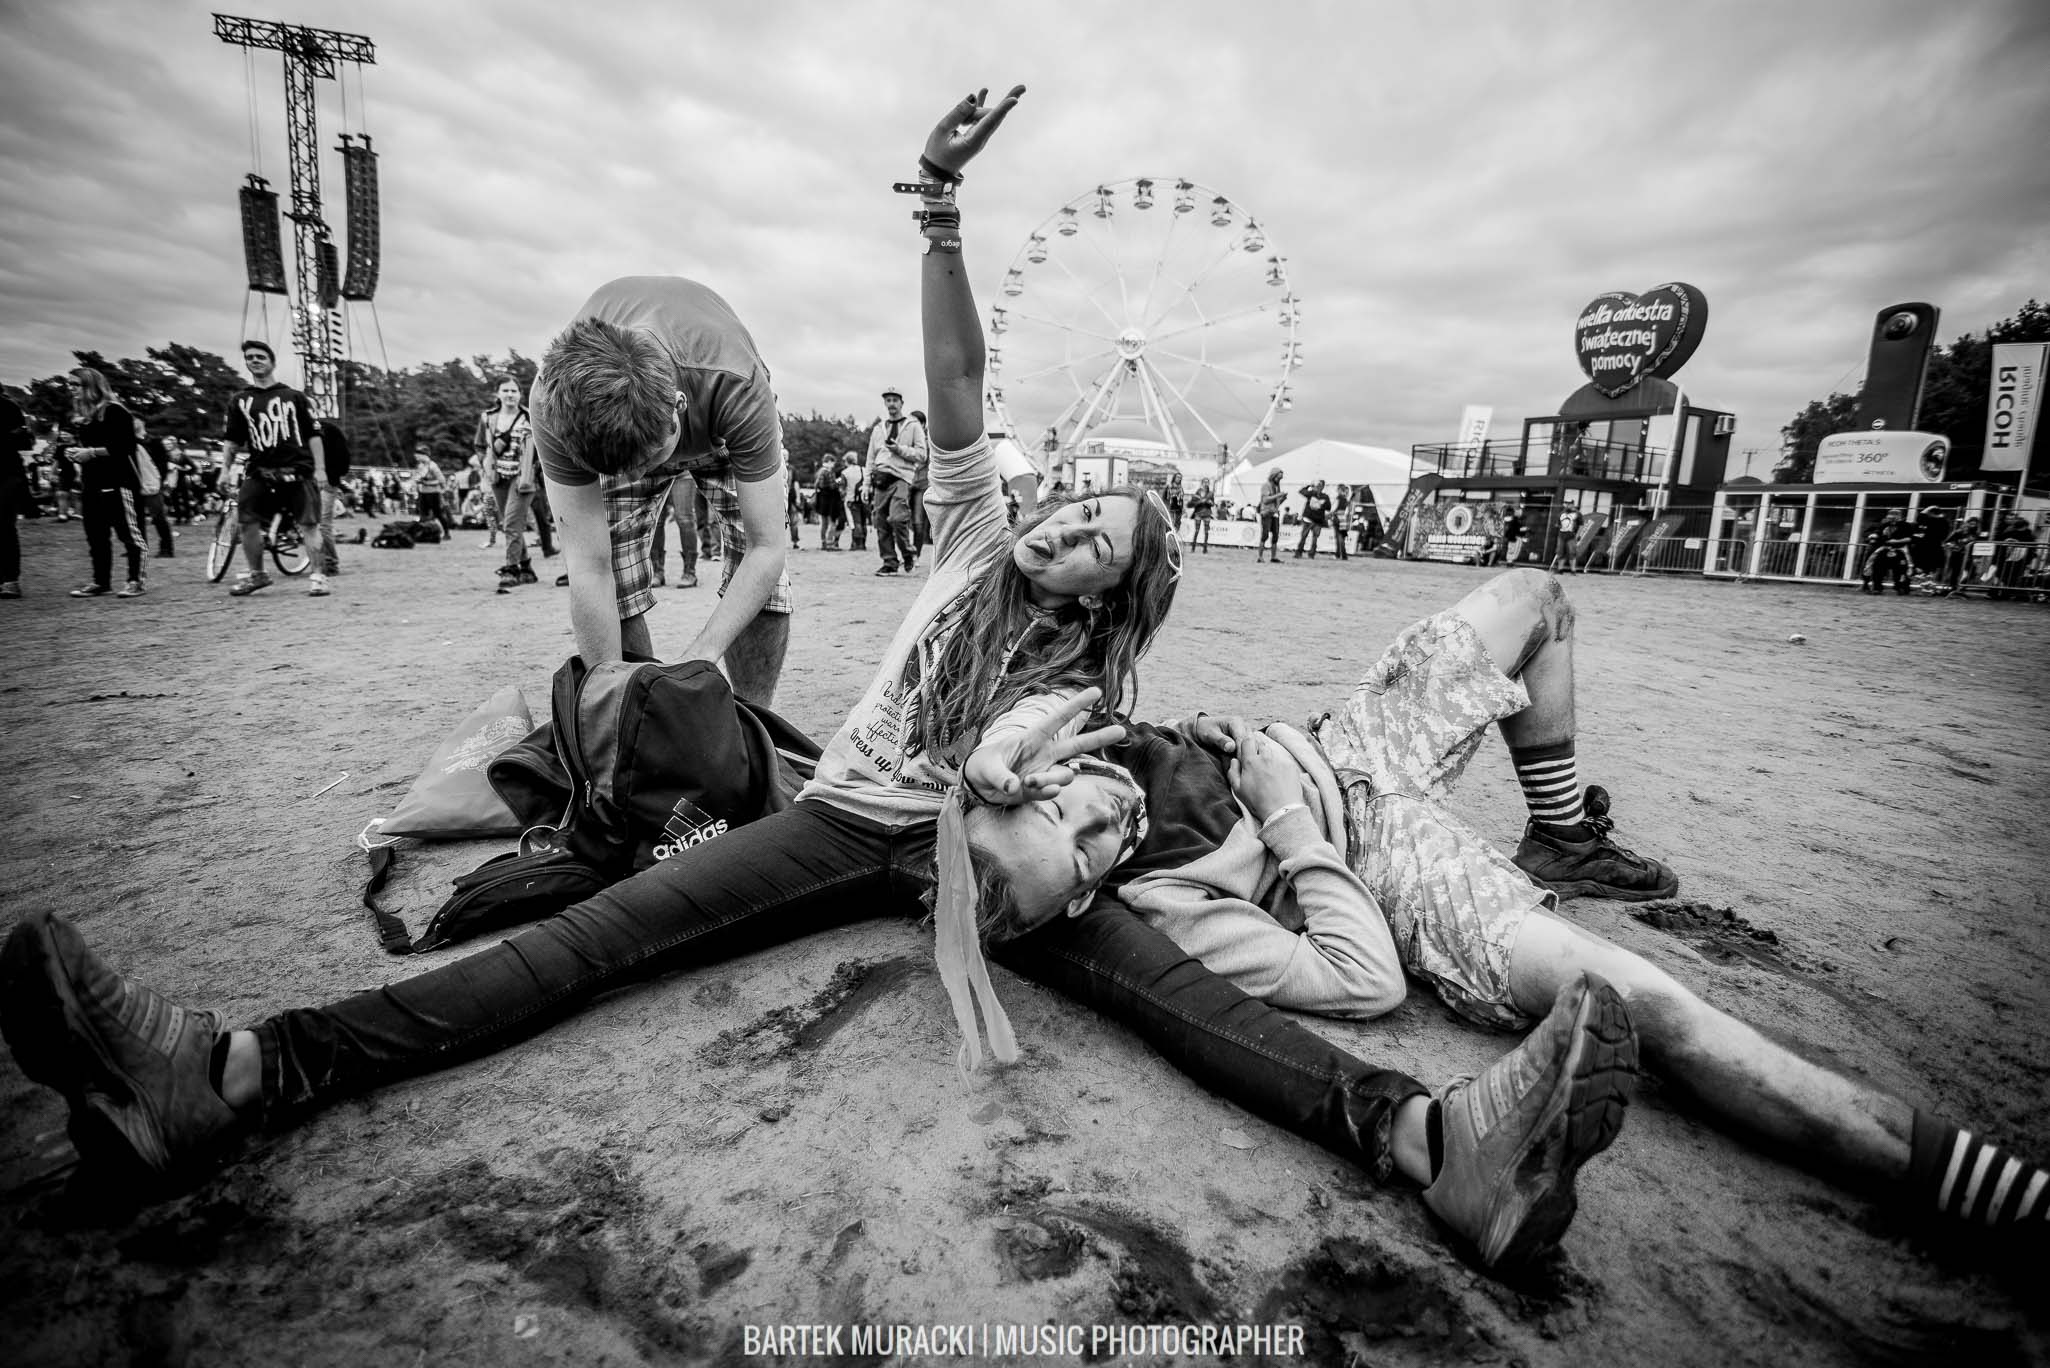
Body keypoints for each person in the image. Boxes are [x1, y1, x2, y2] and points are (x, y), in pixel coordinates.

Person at [0, 88, 1620, 1274]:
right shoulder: (976, 532)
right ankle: (229, 1075)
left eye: (1095, 530)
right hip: (848, 817)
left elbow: (1064, 781)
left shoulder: (1093, 679)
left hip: (978, 864)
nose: (1060, 519)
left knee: (1173, 999)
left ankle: (1436, 1142)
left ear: (1122, 582)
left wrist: (1051, 788)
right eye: (1065, 499)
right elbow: (963, 378)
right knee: (590, 942)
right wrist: (934, 205)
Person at [970, 566, 2050, 1243]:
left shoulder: (1086, 746)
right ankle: (1996, 1194)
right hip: (1385, 857)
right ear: (1085, 902)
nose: (1096, 820)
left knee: (1533, 597)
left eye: (1062, 808)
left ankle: (1563, 829)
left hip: (1351, 739)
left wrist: (1022, 762)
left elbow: (1015, 718)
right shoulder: (1168, 902)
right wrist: (1287, 822)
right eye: (1083, 857)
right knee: (1641, 1004)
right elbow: (1360, 979)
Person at [531, 278, 792, 704]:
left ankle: (756, 721)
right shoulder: (553, 405)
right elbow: (588, 567)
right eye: (623, 471)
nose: (638, 479)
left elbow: (766, 549)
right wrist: (606, 699)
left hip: (718, 423)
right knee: (615, 572)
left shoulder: (735, 381)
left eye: (648, 462)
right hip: (626, 427)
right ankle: (637, 711)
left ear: (678, 408)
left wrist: (698, 661)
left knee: (764, 578)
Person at [220, 342, 332, 598]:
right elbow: (232, 440)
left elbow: (314, 436)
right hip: (260, 470)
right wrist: (224, 470)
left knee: (309, 524)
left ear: (272, 362)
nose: (255, 360)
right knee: (245, 521)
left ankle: (318, 577)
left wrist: (321, 469)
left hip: (297, 469)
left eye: (261, 356)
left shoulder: (294, 397)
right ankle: (258, 574)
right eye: (250, 357)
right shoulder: (239, 401)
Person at [62, 368, 148, 600]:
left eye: (76, 384)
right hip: (92, 483)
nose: (71, 389)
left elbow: (125, 448)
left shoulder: (115, 411)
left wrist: (91, 452)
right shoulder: (85, 417)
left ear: (91, 386)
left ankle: (135, 581)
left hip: (120, 483)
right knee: (96, 536)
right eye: (70, 384)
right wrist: (75, 453)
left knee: (130, 535)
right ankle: (101, 581)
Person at [868, 385, 927, 575]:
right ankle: (890, 562)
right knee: (880, 522)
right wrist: (867, 483)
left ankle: (908, 553)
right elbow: (870, 456)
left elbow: (922, 455)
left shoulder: (913, 426)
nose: (891, 403)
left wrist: (899, 449)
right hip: (880, 477)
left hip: (901, 477)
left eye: (895, 400)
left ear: (902, 402)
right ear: (885, 403)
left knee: (897, 518)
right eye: (888, 400)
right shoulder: (879, 428)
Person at [2, 393, 34, 598]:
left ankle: (9, 580)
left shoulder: (7, 407)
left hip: (5, 472)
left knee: (3, 525)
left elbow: (23, 442)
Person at [131, 417, 175, 558]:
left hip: (151, 483)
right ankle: (139, 547)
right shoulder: (128, 442)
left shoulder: (154, 442)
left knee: (158, 516)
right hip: (133, 483)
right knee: (136, 517)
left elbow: (163, 463)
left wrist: (159, 481)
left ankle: (167, 548)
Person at [1861, 514, 1912, 596]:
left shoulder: (1906, 526)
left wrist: (1896, 541)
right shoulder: (1884, 525)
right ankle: (1877, 588)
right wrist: (1874, 536)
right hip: (1884, 548)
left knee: (1902, 569)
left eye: (1894, 517)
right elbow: (1878, 533)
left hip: (1900, 550)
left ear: (1899, 517)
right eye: (1890, 518)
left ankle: (1901, 587)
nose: (1891, 519)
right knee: (1877, 567)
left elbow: (1909, 538)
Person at [411, 447, 450, 535]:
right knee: (423, 514)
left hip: (433, 493)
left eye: (417, 456)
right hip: (423, 493)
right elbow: (418, 477)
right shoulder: (421, 466)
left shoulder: (433, 466)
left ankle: (447, 533)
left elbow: (441, 480)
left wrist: (426, 482)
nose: (416, 457)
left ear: (424, 455)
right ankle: (424, 533)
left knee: (438, 514)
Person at [1294, 479, 1332, 558]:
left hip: (1317, 520)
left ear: (1323, 487)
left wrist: (1320, 505)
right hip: (1309, 519)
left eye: (1320, 485)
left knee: (1313, 538)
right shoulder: (1312, 493)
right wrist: (1310, 486)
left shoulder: (1323, 496)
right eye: (1318, 485)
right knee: (1305, 537)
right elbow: (1301, 491)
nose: (1318, 487)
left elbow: (1328, 507)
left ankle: (1308, 554)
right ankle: (1300, 553)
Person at [814, 455, 845, 550]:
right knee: (832, 522)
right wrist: (839, 482)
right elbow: (832, 486)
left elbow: (817, 485)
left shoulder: (819, 471)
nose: (833, 465)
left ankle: (823, 542)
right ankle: (829, 542)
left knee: (824, 523)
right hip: (830, 501)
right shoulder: (828, 472)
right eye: (832, 462)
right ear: (828, 462)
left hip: (822, 500)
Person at [1255, 467, 1285, 564]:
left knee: (1275, 535)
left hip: (1274, 513)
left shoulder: (1276, 487)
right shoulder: (1266, 486)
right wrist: (1278, 495)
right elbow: (1265, 500)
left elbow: (1276, 503)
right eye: (1278, 477)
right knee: (1265, 535)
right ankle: (1260, 556)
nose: (1279, 480)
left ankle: (1273, 557)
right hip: (1266, 513)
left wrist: (1282, 498)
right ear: (1274, 476)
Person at [842, 451, 869, 551]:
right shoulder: (864, 470)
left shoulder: (845, 472)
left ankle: (857, 544)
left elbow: (842, 488)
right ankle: (863, 543)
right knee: (863, 522)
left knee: (854, 522)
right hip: (863, 500)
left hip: (851, 500)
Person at [1549, 505, 1581, 574]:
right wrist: (1558, 526)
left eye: (1570, 503)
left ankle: (1573, 570)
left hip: (1571, 536)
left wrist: (1578, 535)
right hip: (1561, 535)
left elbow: (1581, 524)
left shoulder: (1577, 514)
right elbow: (1558, 524)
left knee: (1572, 552)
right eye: (1567, 503)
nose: (1568, 505)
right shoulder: (1561, 513)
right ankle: (1560, 569)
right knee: (1560, 552)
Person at [1188, 478, 1215, 553]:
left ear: (1209, 483)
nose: (1206, 483)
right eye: (1204, 482)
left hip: (1207, 513)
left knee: (1206, 532)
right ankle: (1193, 548)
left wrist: (1210, 502)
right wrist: (1200, 501)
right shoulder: (1198, 492)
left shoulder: (1211, 493)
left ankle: (1205, 549)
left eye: (1207, 482)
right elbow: (1193, 502)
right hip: (1198, 513)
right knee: (1196, 531)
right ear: (1202, 483)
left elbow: (1213, 503)